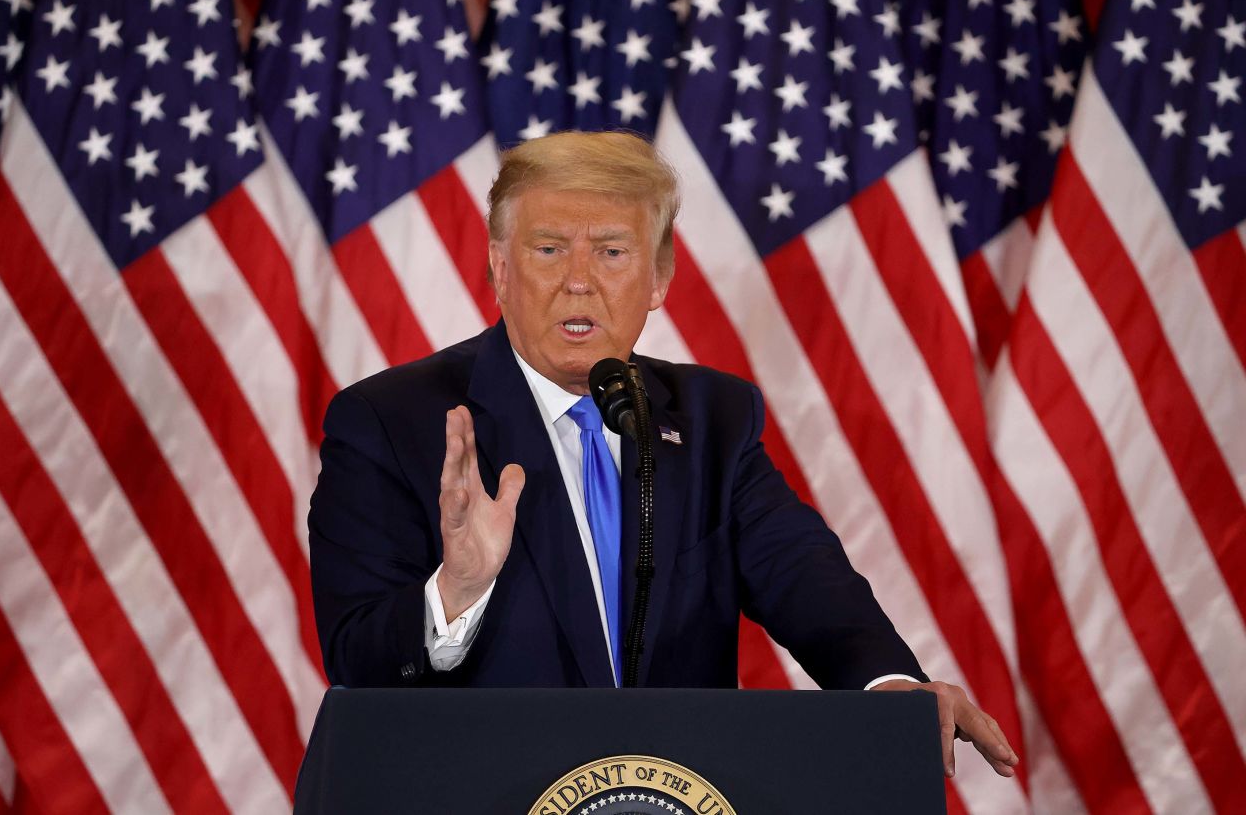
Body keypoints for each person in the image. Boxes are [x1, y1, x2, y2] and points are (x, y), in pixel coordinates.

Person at [308, 131, 1018, 779]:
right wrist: (452, 595)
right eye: (548, 248)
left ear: (658, 278)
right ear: (499, 266)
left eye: (611, 251)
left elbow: (809, 583)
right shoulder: (390, 422)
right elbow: (355, 656)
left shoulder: (714, 421)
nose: (578, 278)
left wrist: (889, 691)